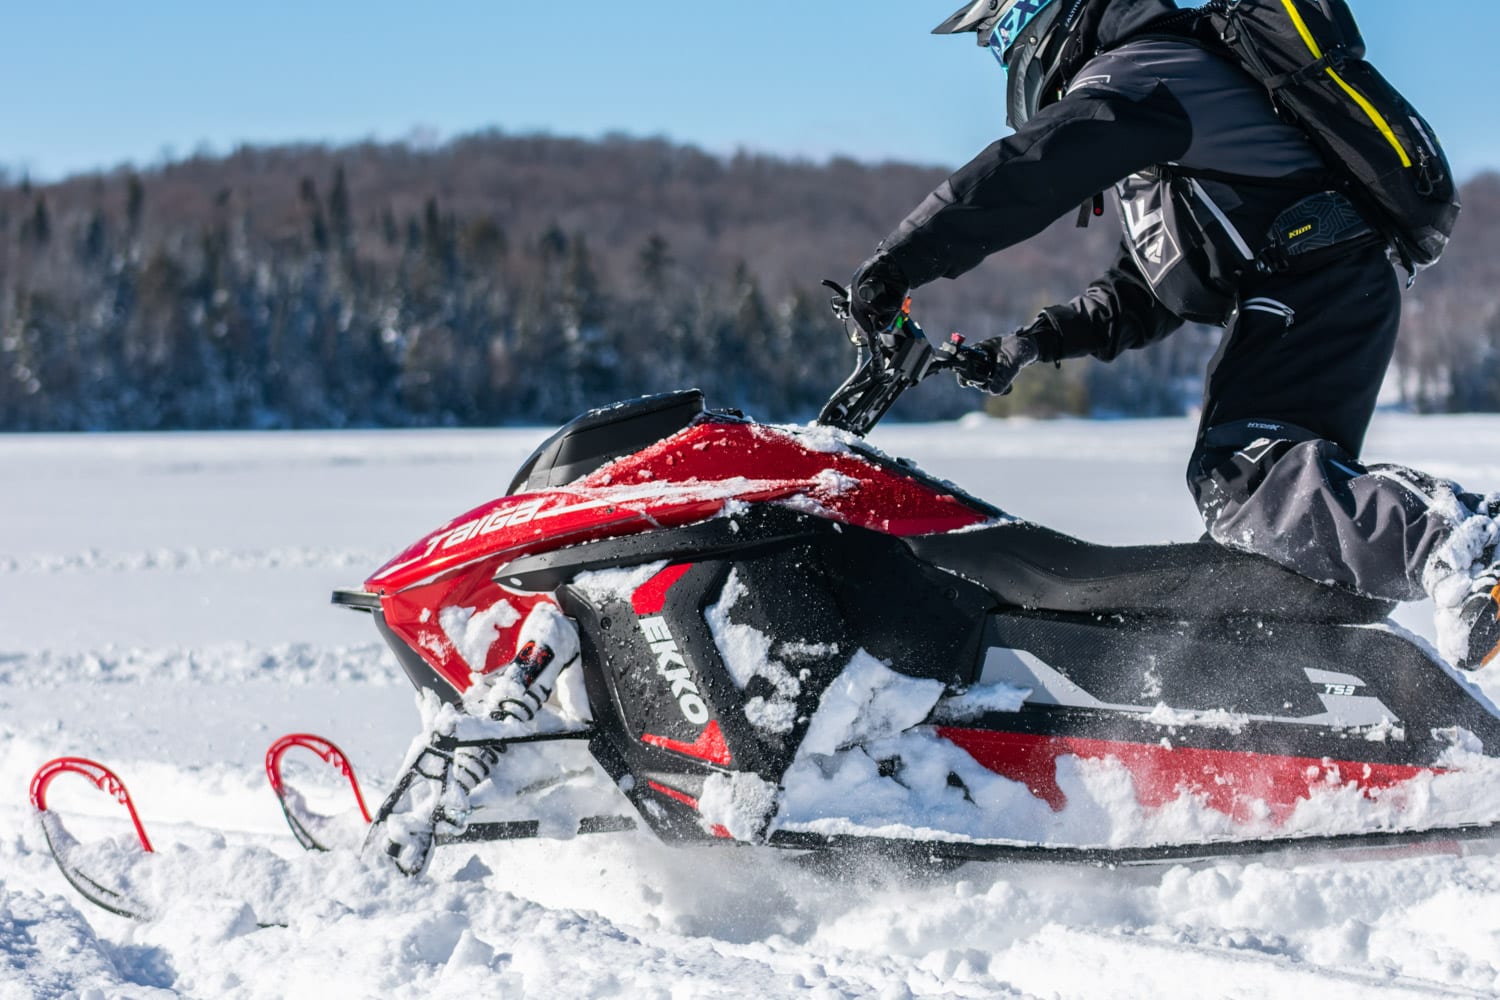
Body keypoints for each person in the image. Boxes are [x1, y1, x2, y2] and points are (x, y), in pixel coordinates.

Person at [848, 0, 1500, 669]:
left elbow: (1032, 167)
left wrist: (900, 260)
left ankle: (1464, 539)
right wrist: (1031, 343)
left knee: (1246, 477)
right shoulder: (1158, 113)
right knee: (1263, 524)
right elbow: (1146, 289)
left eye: (1004, 33)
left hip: (1315, 279)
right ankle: (1284, 681)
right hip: (1318, 282)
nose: (1005, 55)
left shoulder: (1145, 71)